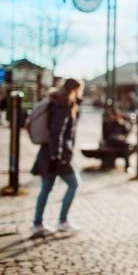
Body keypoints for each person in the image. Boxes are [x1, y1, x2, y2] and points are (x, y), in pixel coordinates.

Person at [30, 78, 82, 236]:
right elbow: (56, 132)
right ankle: (62, 221)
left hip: (48, 152)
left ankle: (37, 224)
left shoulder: (55, 101)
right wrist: (56, 156)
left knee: (46, 188)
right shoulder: (63, 104)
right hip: (57, 154)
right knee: (74, 184)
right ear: (75, 89)